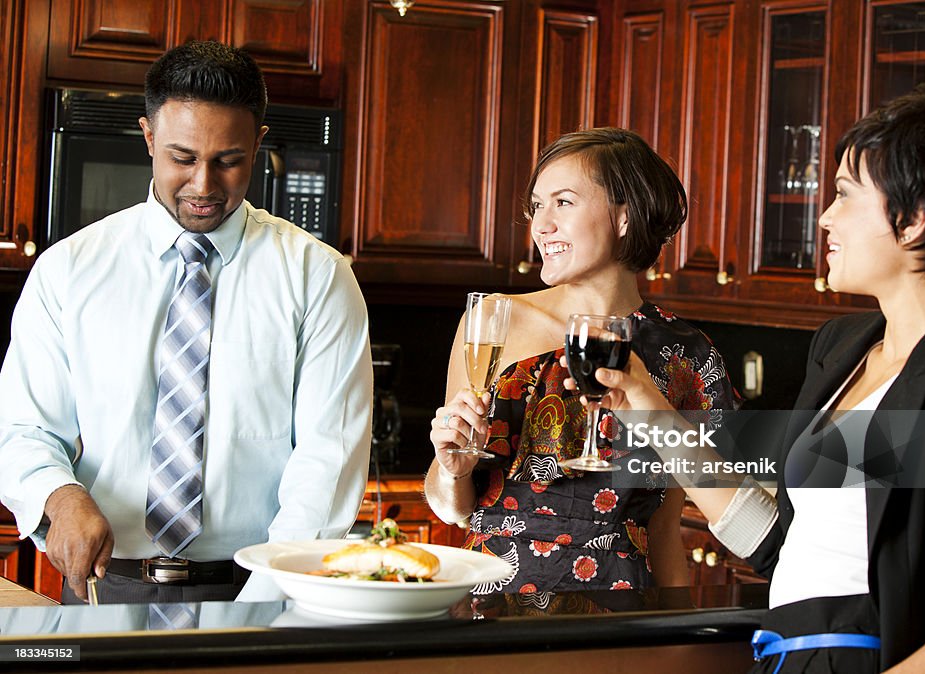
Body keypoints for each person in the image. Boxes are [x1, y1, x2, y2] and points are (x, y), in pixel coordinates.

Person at [586, 85, 925, 672]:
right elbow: (780, 544)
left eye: (845, 194)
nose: (825, 217)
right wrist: (644, 402)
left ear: (916, 219)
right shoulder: (842, 349)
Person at [0, 41, 372, 604]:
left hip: (259, 586)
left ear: (258, 144)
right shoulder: (67, 272)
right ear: (148, 136)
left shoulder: (318, 278)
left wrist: (262, 605)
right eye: (182, 157)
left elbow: (328, 460)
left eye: (228, 160)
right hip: (106, 585)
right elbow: (22, 428)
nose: (204, 185)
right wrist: (60, 495)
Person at [424, 127, 738, 593]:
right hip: (493, 606)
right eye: (537, 205)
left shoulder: (686, 357)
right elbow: (453, 506)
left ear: (625, 217)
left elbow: (665, 531)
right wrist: (454, 468)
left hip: (622, 618)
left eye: (563, 202)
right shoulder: (493, 321)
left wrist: (678, 638)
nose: (541, 224)